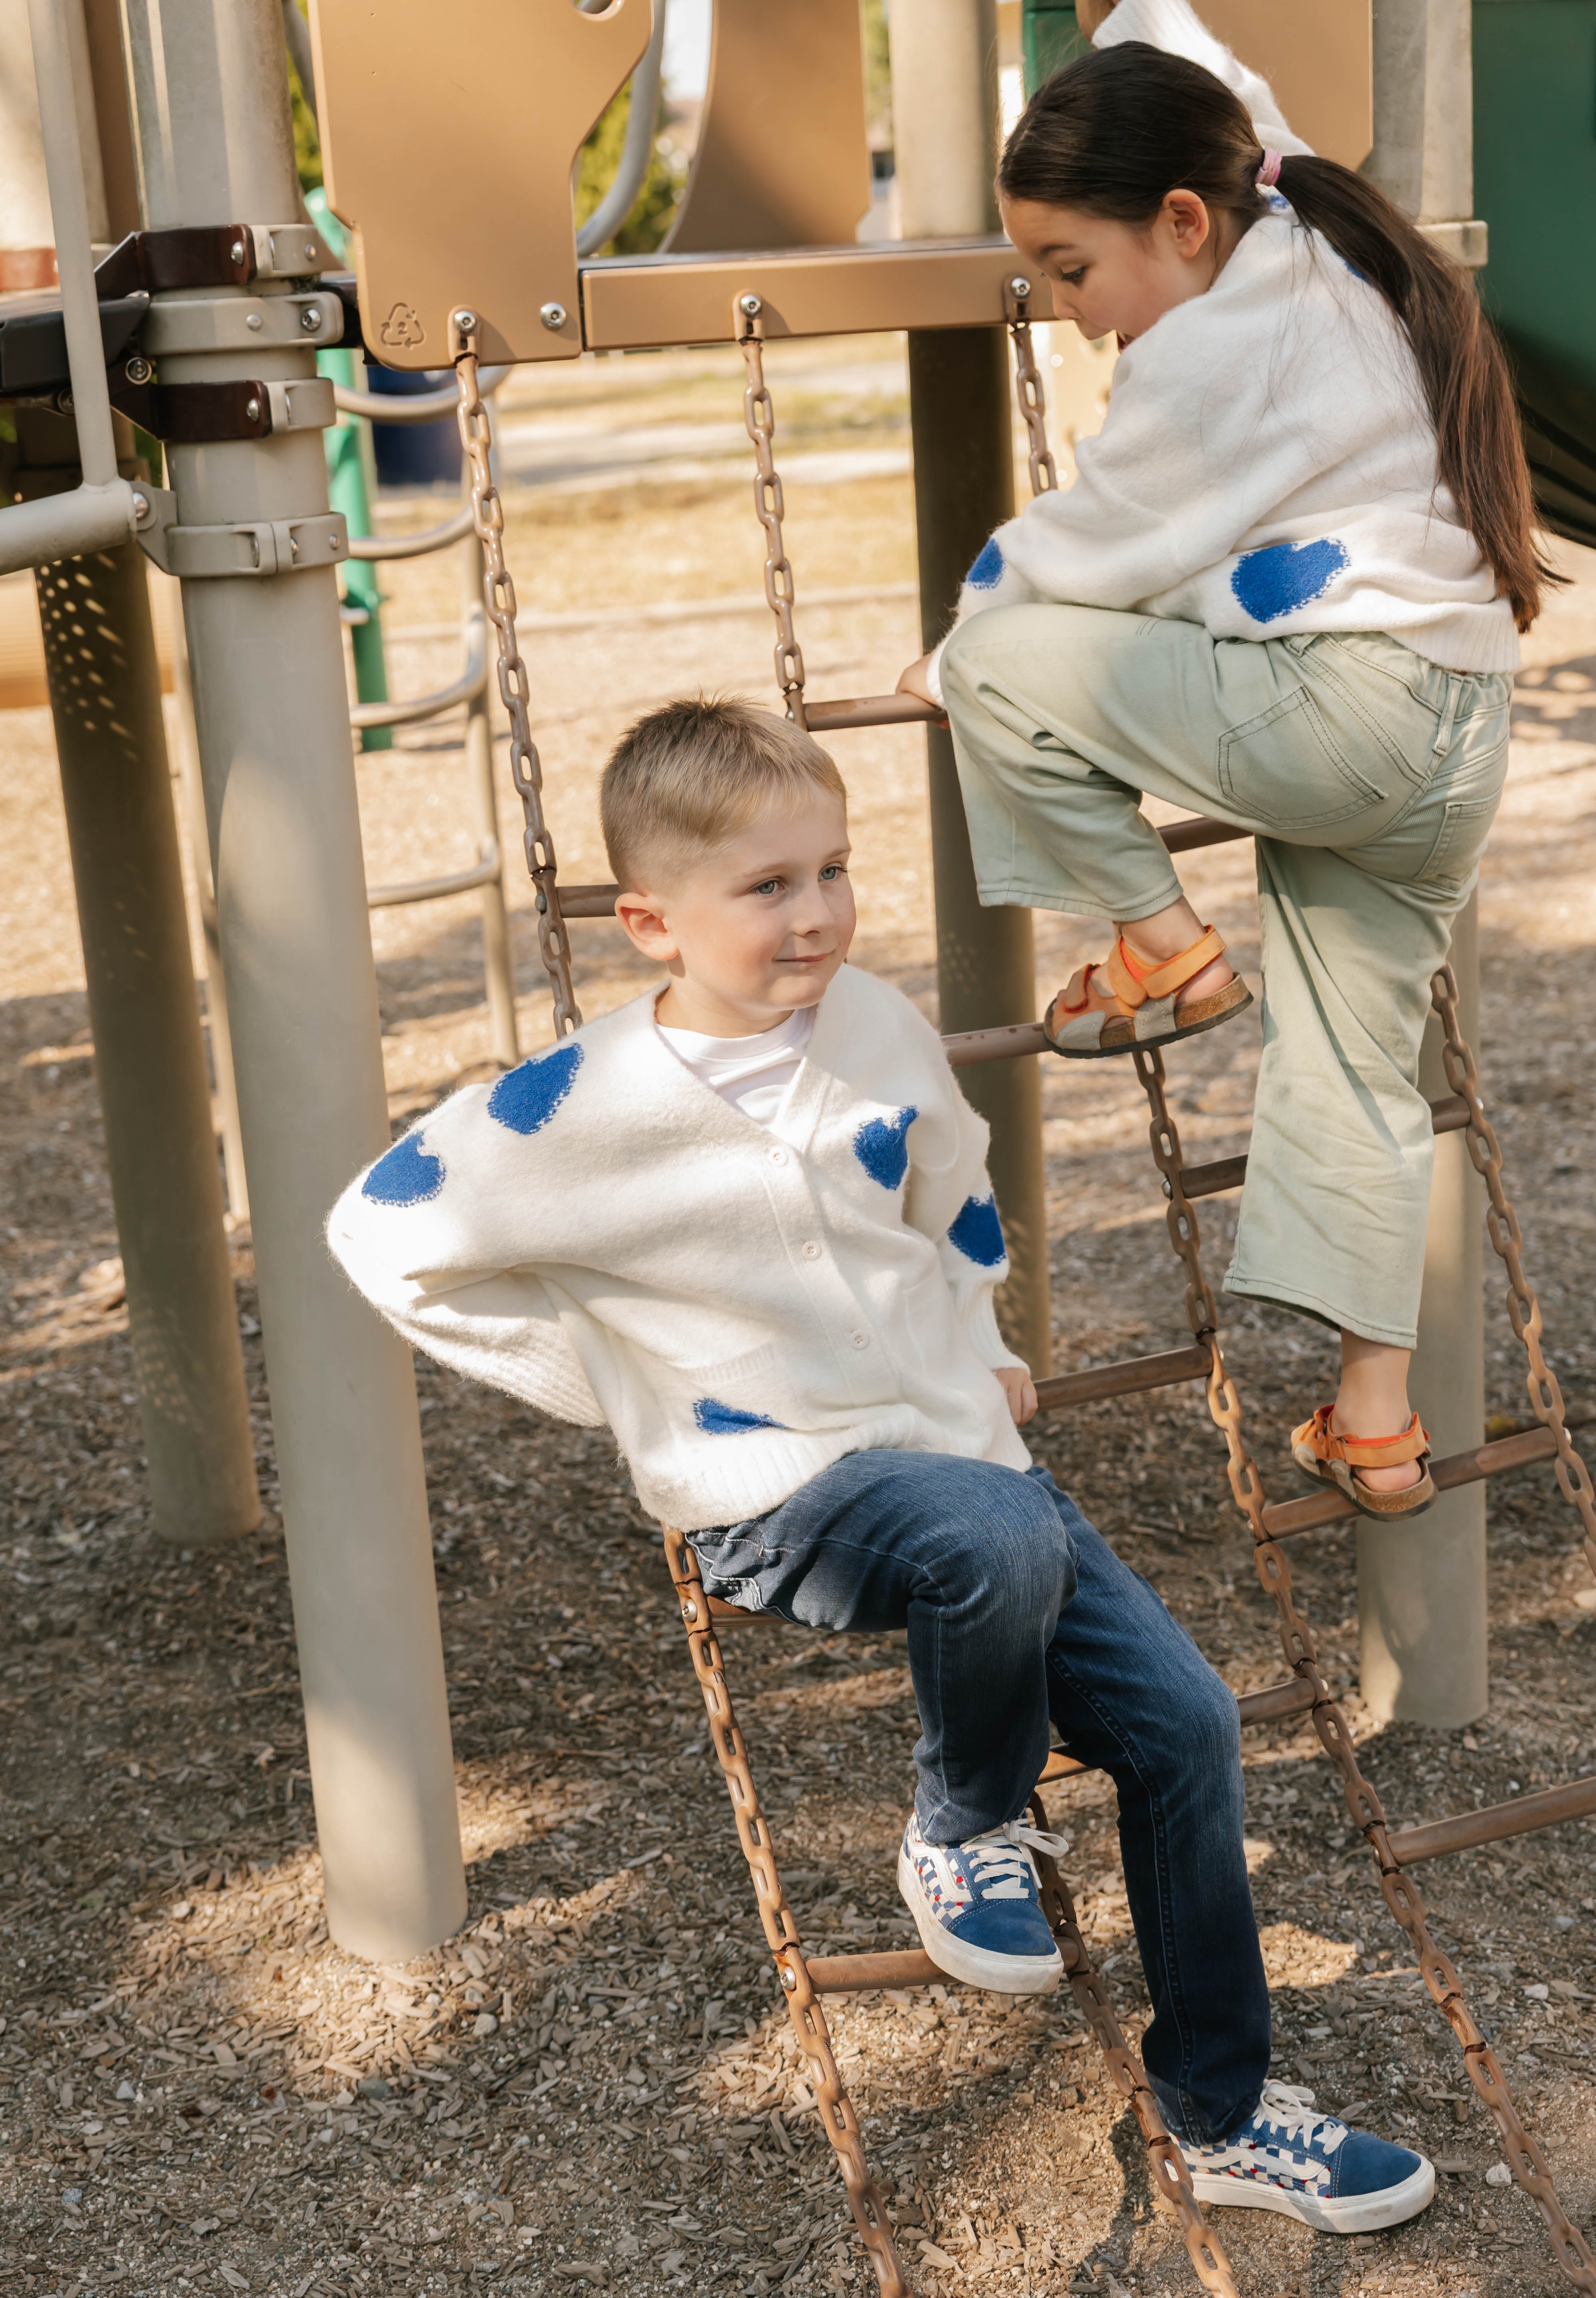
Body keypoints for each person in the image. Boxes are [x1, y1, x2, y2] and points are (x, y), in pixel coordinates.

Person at [328, 696, 1433, 2233]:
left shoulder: (874, 1027)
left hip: (955, 1457)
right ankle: (963, 1819)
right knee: (994, 1538)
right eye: (767, 889)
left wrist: (973, 1338)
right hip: (778, 1495)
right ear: (651, 921)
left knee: (1185, 1725)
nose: (817, 916)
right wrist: (616, 1384)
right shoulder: (573, 1113)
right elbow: (376, 1233)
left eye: (833, 871)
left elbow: (955, 1194)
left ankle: (1226, 2117)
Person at [899, 0, 1539, 1523]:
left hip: (1353, 713)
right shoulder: (1308, 217)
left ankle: (1164, 949)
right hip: (1458, 724)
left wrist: (958, 649)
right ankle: (1376, 1420)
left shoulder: (1208, 358)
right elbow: (1212, 70)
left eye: (1073, 270)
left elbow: (1085, 548)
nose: (1070, 310)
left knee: (999, 665)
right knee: (1358, 1061)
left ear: (1185, 220)